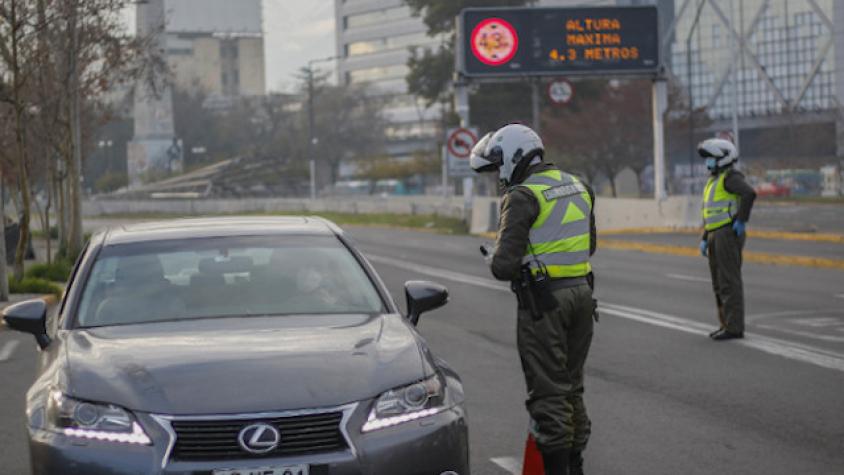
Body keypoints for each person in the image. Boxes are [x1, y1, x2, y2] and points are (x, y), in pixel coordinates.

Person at [471, 124, 597, 475]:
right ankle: (576, 466)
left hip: (545, 305)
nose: (498, 174)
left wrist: (493, 256)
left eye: (498, 165)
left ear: (513, 156)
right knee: (572, 388)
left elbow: (504, 266)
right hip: (583, 297)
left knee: (548, 394)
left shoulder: (523, 195)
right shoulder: (579, 185)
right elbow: (589, 245)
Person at [698, 137, 757, 341]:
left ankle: (734, 327)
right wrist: (705, 237)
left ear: (724, 158)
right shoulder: (714, 180)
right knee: (718, 282)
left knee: (729, 281)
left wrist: (741, 221)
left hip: (727, 234)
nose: (708, 162)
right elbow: (711, 213)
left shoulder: (731, 177)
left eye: (712, 158)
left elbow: (749, 194)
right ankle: (725, 324)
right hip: (715, 233)